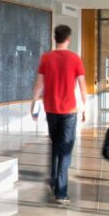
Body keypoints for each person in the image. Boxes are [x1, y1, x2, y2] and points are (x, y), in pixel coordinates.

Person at [30, 24, 87, 205]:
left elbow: (39, 84)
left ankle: (54, 180)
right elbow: (82, 86)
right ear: (68, 39)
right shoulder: (75, 58)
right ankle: (61, 193)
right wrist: (85, 107)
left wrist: (34, 104)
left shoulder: (46, 58)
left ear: (55, 38)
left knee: (55, 144)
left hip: (51, 109)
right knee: (65, 150)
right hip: (69, 111)